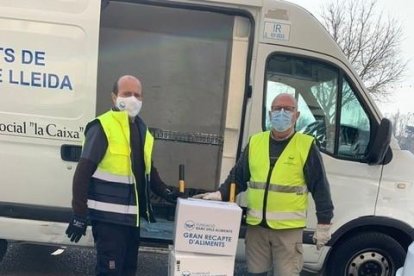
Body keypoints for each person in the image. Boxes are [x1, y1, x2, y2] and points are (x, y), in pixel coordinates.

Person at [194, 93, 334, 276]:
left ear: (296, 115)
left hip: (288, 232)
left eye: (288, 109)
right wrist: (221, 193)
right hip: (257, 228)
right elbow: (238, 176)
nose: (282, 113)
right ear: (270, 114)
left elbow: (320, 186)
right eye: (277, 109)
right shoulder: (256, 142)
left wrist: (324, 222)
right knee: (255, 273)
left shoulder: (306, 146)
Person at [65, 75, 182, 276]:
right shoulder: (103, 127)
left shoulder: (142, 129)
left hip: (131, 219)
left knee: (128, 270)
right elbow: (82, 173)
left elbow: (148, 169)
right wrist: (79, 214)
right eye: (127, 94)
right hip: (108, 219)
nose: (133, 99)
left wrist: (166, 192)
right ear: (114, 97)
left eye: (137, 95)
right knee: (109, 271)